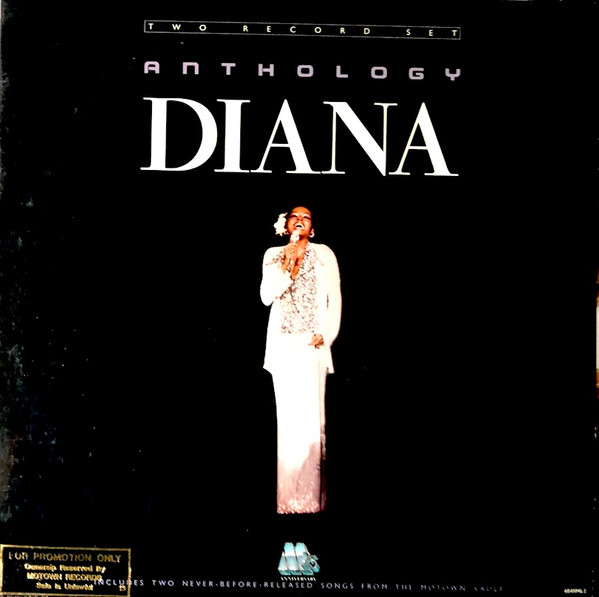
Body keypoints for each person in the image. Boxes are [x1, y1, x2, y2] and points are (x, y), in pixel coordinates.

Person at [260, 206, 342, 514]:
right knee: (288, 423)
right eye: (295, 216)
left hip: (311, 345)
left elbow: (334, 297)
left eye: (306, 217)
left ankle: (311, 502)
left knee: (311, 423)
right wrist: (288, 263)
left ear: (313, 227)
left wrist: (327, 334)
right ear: (286, 225)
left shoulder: (325, 254)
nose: (300, 220)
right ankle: (287, 502)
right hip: (284, 346)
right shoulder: (273, 254)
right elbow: (266, 296)